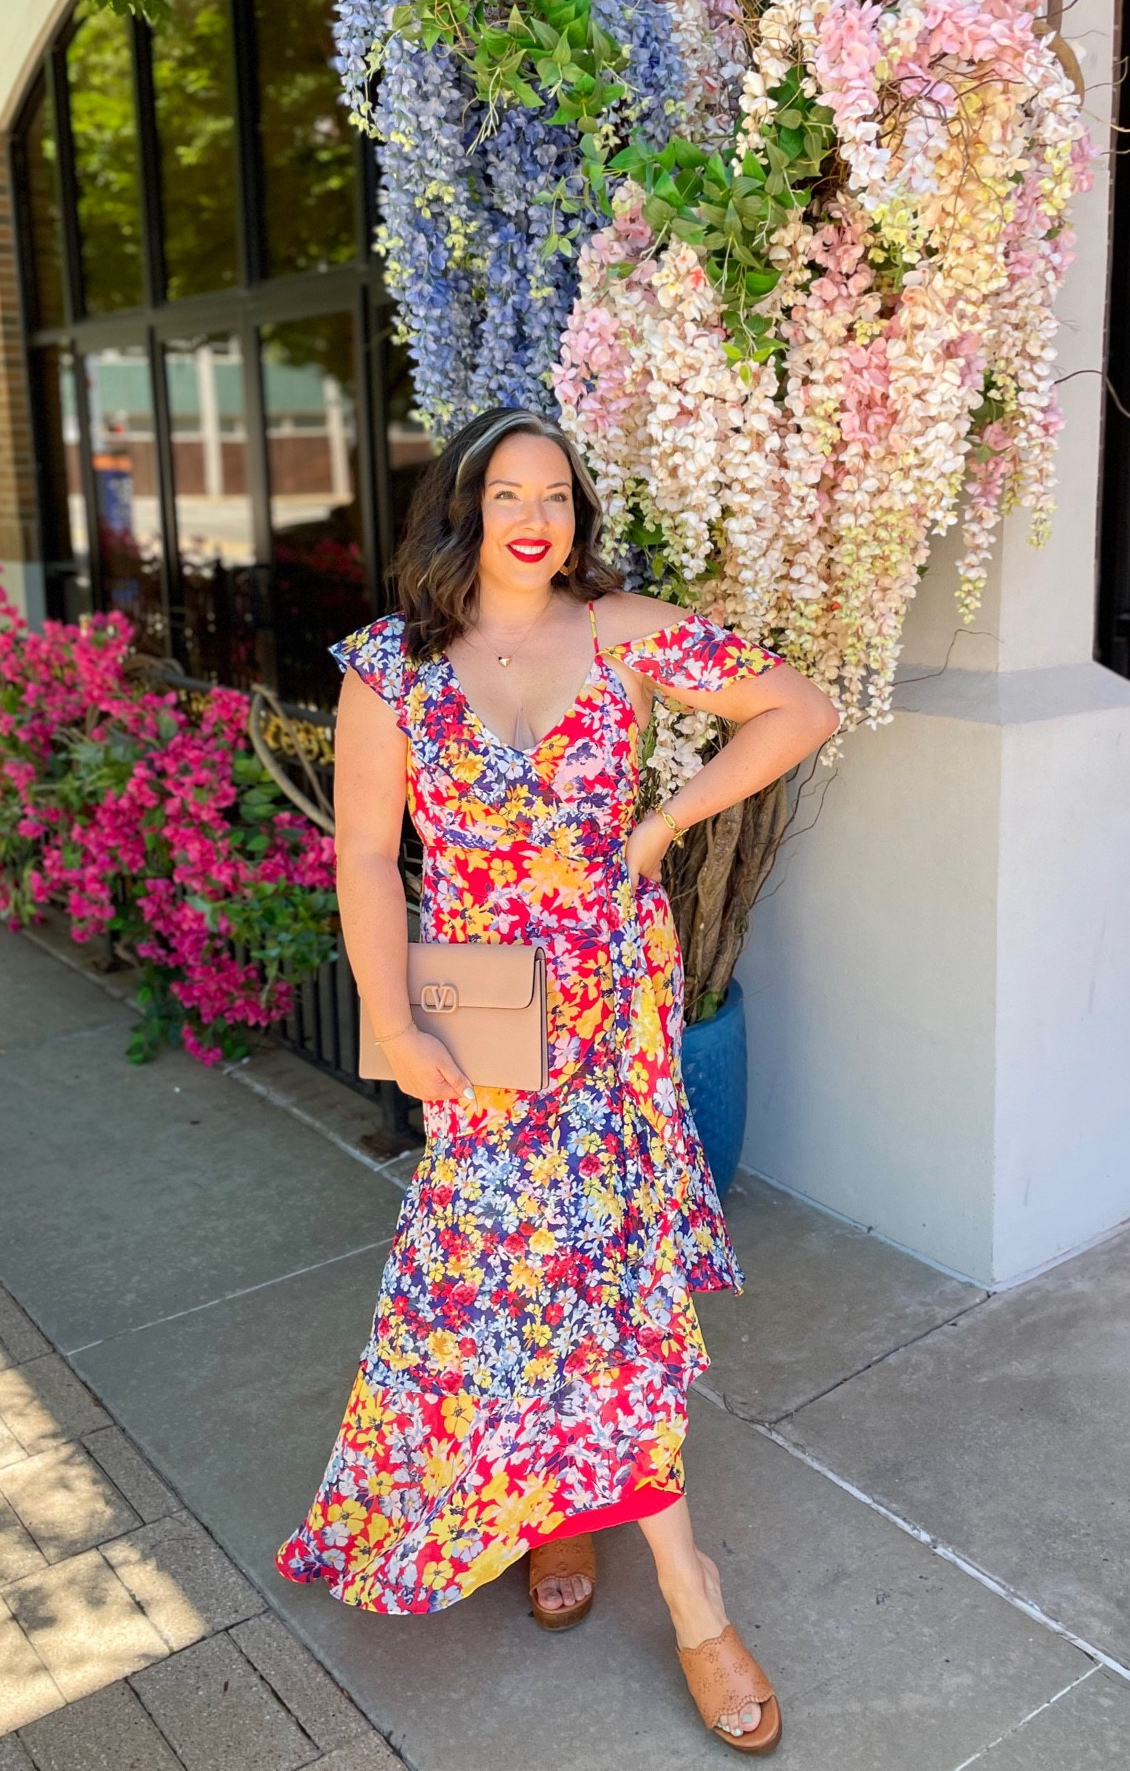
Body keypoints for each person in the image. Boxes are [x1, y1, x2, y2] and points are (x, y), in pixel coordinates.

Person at [276, 405, 836, 1753]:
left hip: (611, 1013)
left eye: (557, 496)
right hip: (481, 1021)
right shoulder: (391, 666)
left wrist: (665, 818)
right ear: (461, 509)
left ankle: (687, 1591)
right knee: (503, 1283)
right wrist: (394, 1025)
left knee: (600, 1280)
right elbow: (365, 860)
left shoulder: (624, 633)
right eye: (506, 494)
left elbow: (799, 708)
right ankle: (557, 1515)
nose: (534, 519)